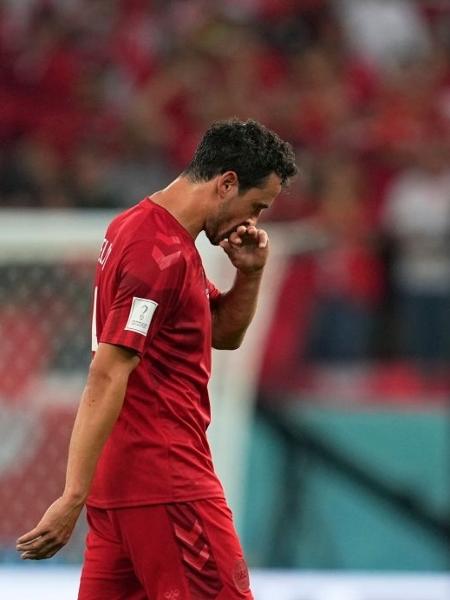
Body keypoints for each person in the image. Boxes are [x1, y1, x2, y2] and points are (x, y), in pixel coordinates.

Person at [16, 118, 297, 599]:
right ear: (227, 182)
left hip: (123, 490)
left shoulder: (143, 232)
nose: (253, 222)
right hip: (167, 484)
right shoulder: (159, 254)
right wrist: (71, 497)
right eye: (256, 205)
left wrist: (248, 277)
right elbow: (107, 374)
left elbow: (222, 336)